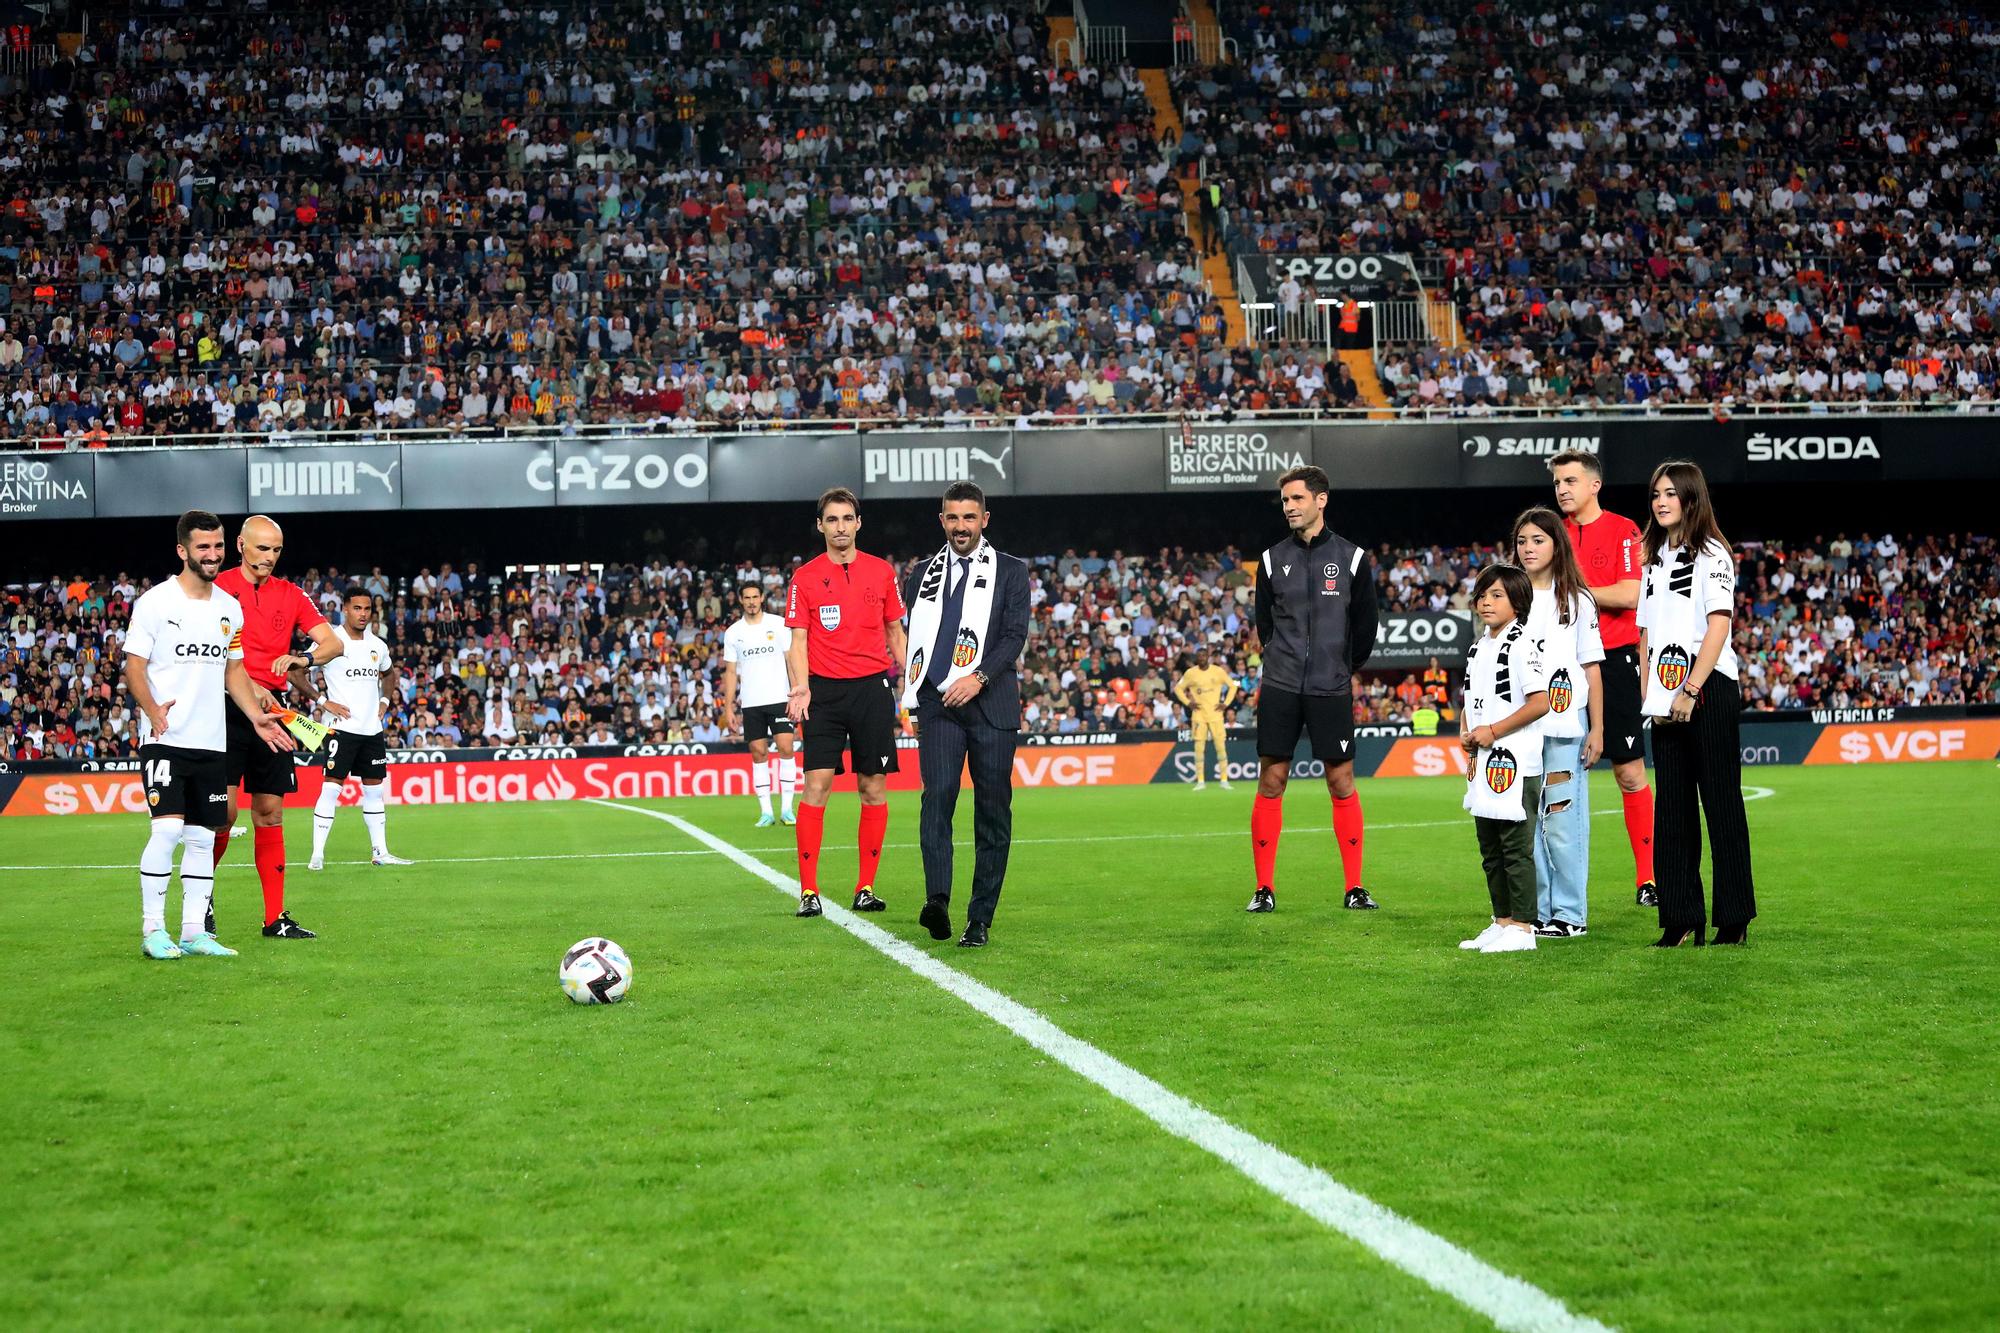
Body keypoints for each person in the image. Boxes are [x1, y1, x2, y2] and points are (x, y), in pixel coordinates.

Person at [124, 510, 295, 959]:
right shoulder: (156, 603)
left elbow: (234, 672)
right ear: (183, 551)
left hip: (210, 741)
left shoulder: (228, 608)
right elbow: (133, 668)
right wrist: (151, 710)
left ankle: (194, 932)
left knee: (203, 837)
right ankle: (152, 930)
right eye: (203, 547)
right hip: (167, 738)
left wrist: (256, 717)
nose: (212, 555)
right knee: (167, 832)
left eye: (218, 546)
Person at [900, 482, 1031, 948]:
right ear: (942, 521)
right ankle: (937, 900)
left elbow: (1014, 637)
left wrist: (977, 677)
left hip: (989, 704)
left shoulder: (1012, 572)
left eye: (969, 517)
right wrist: (915, 695)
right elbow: (914, 640)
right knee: (936, 798)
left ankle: (980, 917)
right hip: (938, 705)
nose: (961, 526)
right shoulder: (919, 575)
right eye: (952, 518)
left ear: (984, 520)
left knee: (991, 812)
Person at [1246, 465, 1380, 914]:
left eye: (1297, 499)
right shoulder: (1270, 559)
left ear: (1321, 500)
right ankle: (1264, 888)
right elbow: (1264, 624)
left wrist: (1339, 668)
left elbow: (1365, 626)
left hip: (1330, 686)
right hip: (1281, 685)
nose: (1289, 507)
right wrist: (1282, 661)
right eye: (1284, 501)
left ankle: (1355, 887)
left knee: (1341, 782)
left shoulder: (1352, 558)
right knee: (1272, 779)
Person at [1636, 461, 1757, 947]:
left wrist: (1690, 689)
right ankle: (1680, 917)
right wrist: (1653, 695)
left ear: (1691, 498)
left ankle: (1733, 918)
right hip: (1663, 697)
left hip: (1709, 689)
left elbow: (1718, 625)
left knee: (1722, 805)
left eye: (1670, 493)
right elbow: (1645, 633)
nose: (1661, 502)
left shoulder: (1713, 554)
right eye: (1655, 494)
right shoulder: (1652, 556)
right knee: (1672, 812)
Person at [210, 514, 345, 939]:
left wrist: (303, 659)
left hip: (275, 712)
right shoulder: (216, 588)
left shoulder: (291, 594)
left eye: (276, 550)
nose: (269, 557)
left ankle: (275, 918)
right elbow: (207, 654)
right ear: (241, 545)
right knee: (224, 812)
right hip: (223, 706)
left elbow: (333, 643)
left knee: (270, 813)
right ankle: (201, 901)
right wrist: (249, 688)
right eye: (262, 548)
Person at [784, 487, 909, 919]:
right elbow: (797, 641)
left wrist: (912, 678)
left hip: (873, 689)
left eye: (847, 519)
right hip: (825, 692)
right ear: (820, 526)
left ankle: (865, 886)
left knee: (873, 788)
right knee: (816, 786)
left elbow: (895, 633)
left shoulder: (881, 572)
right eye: (831, 520)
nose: (840, 527)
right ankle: (809, 891)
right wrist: (801, 686)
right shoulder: (804, 578)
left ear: (858, 523)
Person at [1550, 449, 1658, 907]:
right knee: (1553, 776)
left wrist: (1575, 591)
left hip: (1613, 660)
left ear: (1595, 484)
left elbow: (1631, 593)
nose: (1562, 490)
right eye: (1557, 483)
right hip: (1559, 663)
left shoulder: (1623, 530)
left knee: (1630, 773)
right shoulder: (1549, 533)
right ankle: (1556, 886)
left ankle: (1647, 880)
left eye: (1570, 481)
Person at [1512, 508, 1606, 939]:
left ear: (1556, 545)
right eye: (1522, 541)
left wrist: (1598, 728)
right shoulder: (1509, 598)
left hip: (1567, 728)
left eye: (1537, 540)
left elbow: (1591, 667)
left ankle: (1571, 914)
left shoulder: (1579, 600)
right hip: (1518, 731)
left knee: (1564, 824)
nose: (1528, 548)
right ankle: (1538, 912)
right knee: (1526, 826)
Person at [1457, 564, 1553, 954]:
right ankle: (1502, 921)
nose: (1486, 602)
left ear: (1518, 602)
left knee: (1515, 848)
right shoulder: (1479, 645)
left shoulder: (1523, 643)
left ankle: (1524, 928)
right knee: (1490, 848)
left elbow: (1542, 702)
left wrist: (1493, 731)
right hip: (1482, 760)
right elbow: (1469, 700)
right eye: (1482, 594)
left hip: (1515, 760)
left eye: (1497, 595)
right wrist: (1465, 731)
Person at [307, 586, 411, 871]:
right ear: (345, 608)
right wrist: (323, 701)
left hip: (371, 730)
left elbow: (389, 674)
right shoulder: (331, 641)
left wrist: (385, 700)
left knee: (375, 791)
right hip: (341, 730)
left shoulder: (378, 645)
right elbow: (296, 670)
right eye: (357, 608)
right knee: (331, 790)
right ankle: (317, 854)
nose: (363, 614)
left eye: (367, 609)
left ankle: (380, 852)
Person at [721, 583, 798, 827]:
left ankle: (787, 809)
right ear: (741, 601)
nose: (752, 601)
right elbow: (731, 672)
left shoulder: (777, 624)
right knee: (758, 753)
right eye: (747, 597)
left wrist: (796, 692)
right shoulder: (733, 632)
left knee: (786, 747)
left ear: (762, 598)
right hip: (752, 702)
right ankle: (766, 812)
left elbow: (791, 659)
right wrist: (728, 707)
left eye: (755, 596)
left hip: (779, 697)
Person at [1175, 647, 1239, 789]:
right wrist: (1188, 703)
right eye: (1199, 656)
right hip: (1199, 715)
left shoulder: (1218, 671)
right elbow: (1178, 689)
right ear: (1196, 658)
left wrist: (1226, 703)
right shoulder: (1191, 673)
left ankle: (1224, 780)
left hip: (1216, 715)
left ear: (1208, 657)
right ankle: (1200, 781)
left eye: (1204, 655)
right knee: (1199, 748)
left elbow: (1232, 686)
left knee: (1220, 747)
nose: (1202, 658)